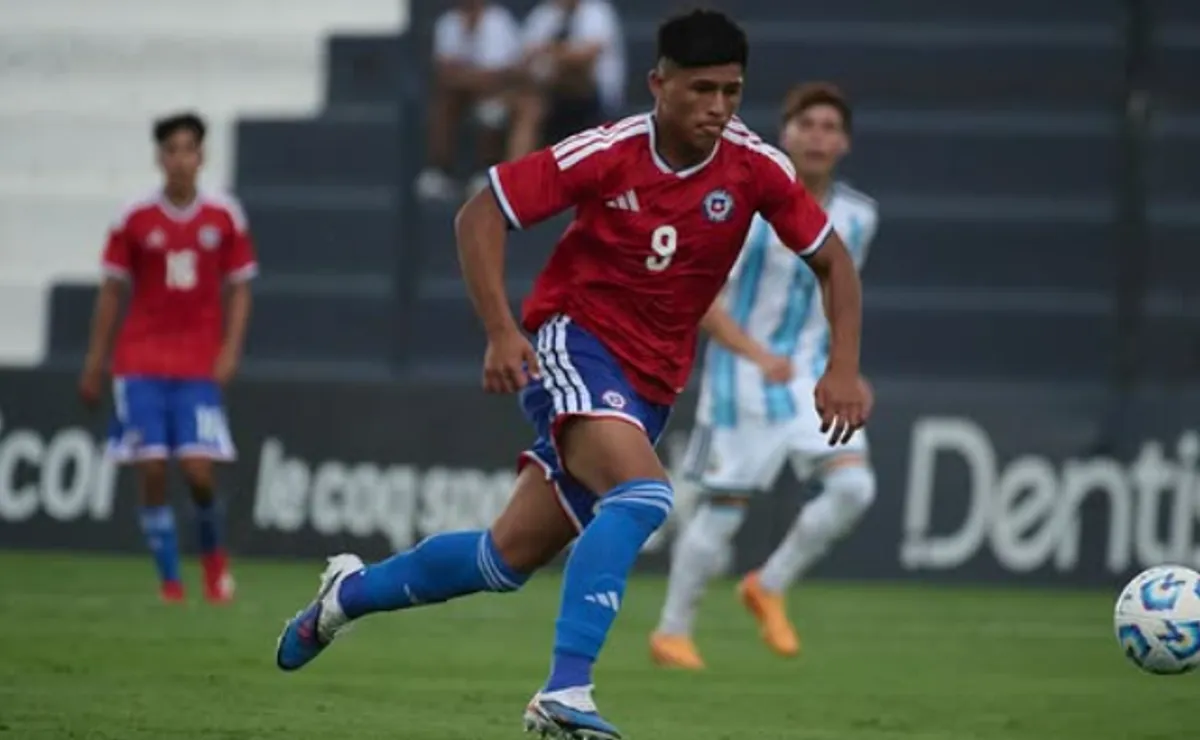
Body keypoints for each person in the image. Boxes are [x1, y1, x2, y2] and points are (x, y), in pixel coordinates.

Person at [275, 11, 869, 739]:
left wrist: (843, 366)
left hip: (651, 385)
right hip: (573, 341)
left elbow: (833, 261)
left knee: (503, 559)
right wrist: (501, 331)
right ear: (658, 83)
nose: (717, 108)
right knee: (647, 494)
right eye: (701, 89)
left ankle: (347, 595)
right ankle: (565, 693)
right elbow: (480, 213)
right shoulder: (611, 150)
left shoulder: (757, 167)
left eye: (732, 91)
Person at [650, 82, 879, 670]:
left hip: (807, 377)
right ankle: (673, 632)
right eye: (808, 126)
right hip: (742, 380)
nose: (819, 138)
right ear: (786, 134)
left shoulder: (858, 218)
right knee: (724, 509)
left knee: (855, 488)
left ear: (846, 142)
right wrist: (756, 355)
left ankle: (768, 585)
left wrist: (846, 370)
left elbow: (838, 298)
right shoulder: (748, 209)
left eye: (831, 128)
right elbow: (702, 301)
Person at [78, 111, 257, 604]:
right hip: (140, 359)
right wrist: (95, 362)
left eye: (189, 149)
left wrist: (230, 349)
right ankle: (171, 581)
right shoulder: (134, 216)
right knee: (153, 468)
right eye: (172, 150)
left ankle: (215, 567)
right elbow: (112, 291)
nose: (180, 159)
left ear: (202, 156)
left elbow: (241, 288)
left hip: (197, 363)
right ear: (160, 157)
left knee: (199, 470)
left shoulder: (224, 215)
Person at [416, 0, 524, 201]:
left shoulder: (499, 21)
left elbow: (498, 75)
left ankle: (484, 171)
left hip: (496, 92)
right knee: (443, 103)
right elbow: (444, 73)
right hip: (461, 94)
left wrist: (465, 75)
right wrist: (473, 77)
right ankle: (439, 171)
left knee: (491, 107)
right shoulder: (447, 23)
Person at [506, 0, 625, 160]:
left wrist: (549, 50)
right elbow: (524, 57)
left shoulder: (597, 11)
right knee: (527, 106)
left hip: (591, 95)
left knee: (574, 71)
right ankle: (516, 178)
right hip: (549, 93)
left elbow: (587, 56)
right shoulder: (544, 13)